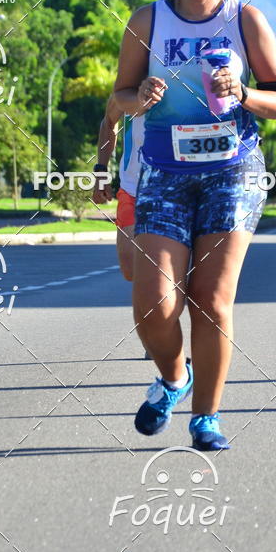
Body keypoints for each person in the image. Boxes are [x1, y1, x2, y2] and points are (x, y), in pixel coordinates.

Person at [113, 0, 276, 450]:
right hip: (164, 171)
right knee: (153, 303)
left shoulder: (246, 19)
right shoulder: (147, 20)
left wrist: (241, 92)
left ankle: (206, 418)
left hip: (231, 172)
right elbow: (118, 97)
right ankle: (176, 377)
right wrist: (138, 97)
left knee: (211, 300)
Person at [92, 97, 154, 358]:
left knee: (163, 270)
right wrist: (101, 171)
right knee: (130, 268)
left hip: (174, 185)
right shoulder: (131, 87)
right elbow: (109, 122)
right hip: (132, 186)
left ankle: (158, 336)